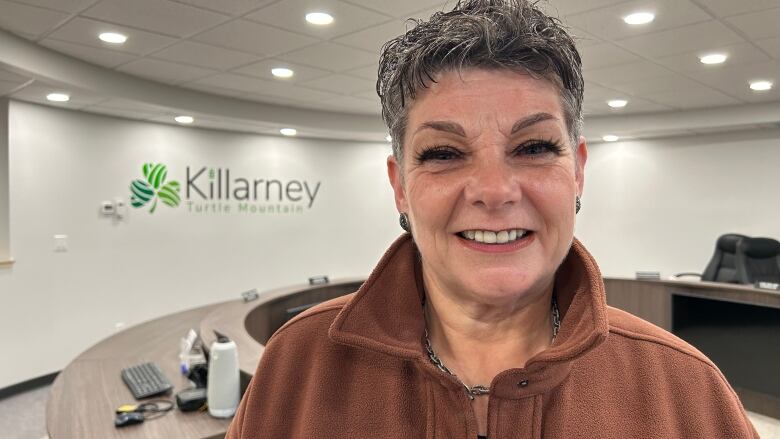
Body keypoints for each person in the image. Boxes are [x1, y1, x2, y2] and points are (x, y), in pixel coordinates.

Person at [226, 1, 759, 437]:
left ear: (577, 171)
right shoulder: (295, 368)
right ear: (400, 187)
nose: (494, 191)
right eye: (442, 153)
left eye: (533, 146)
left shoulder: (687, 393)